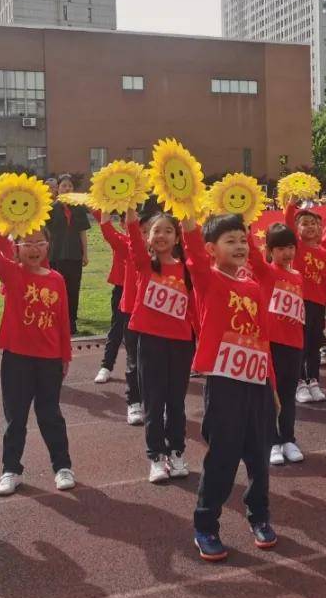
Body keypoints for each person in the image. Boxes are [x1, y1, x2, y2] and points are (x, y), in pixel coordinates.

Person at [181, 213, 277, 562]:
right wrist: (187, 211)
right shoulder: (209, 281)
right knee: (222, 457)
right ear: (211, 249)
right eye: (230, 240)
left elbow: (263, 340)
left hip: (258, 385)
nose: (239, 246)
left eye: (243, 239)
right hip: (225, 385)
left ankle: (260, 517)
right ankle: (206, 525)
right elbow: (192, 252)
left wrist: (274, 389)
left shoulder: (253, 287)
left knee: (259, 457)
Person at [0, 228, 74, 497]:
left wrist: (65, 355)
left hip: (49, 359)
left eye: (40, 243)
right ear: (17, 248)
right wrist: (7, 226)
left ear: (48, 247)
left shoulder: (57, 279)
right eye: (27, 243)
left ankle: (62, 467)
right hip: (17, 358)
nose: (34, 249)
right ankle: (11, 470)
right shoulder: (13, 274)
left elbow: (62, 320)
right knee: (16, 417)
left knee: (50, 415)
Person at [127, 209, 194, 483]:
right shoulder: (144, 265)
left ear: (177, 237)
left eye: (168, 230)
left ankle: (177, 451)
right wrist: (131, 211)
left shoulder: (187, 269)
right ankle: (156, 455)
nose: (162, 235)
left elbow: (198, 248)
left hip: (181, 343)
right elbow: (132, 239)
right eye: (157, 231)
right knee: (153, 402)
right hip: (151, 343)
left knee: (176, 402)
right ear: (148, 238)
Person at [247, 222, 306, 465]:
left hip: (295, 345)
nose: (287, 253)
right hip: (270, 345)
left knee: (288, 393)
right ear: (270, 251)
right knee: (270, 394)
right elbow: (251, 254)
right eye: (280, 248)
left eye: (290, 247)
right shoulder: (266, 272)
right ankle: (271, 440)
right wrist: (246, 225)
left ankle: (288, 438)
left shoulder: (298, 276)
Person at [285, 203, 326, 403]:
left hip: (317, 306)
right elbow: (288, 223)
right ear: (297, 229)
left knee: (313, 344)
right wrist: (291, 204)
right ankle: (300, 382)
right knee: (300, 345)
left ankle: (314, 381)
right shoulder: (297, 248)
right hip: (298, 303)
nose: (310, 227)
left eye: (313, 223)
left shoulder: (325, 254)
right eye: (304, 224)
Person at [44, 175, 89, 337]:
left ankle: (71, 321)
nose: (67, 189)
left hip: (75, 254)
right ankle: (57, 321)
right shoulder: (51, 208)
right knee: (57, 290)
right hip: (56, 255)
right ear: (58, 189)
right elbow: (45, 232)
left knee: (73, 289)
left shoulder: (79, 208)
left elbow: (82, 232)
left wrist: (85, 253)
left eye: (70, 186)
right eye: (64, 186)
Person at [93, 210, 131, 385]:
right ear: (122, 224)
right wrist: (104, 203)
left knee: (140, 334)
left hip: (143, 292)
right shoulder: (121, 241)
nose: (132, 222)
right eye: (128, 220)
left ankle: (140, 369)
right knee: (117, 328)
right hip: (122, 290)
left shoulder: (151, 244)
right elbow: (106, 226)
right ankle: (106, 366)